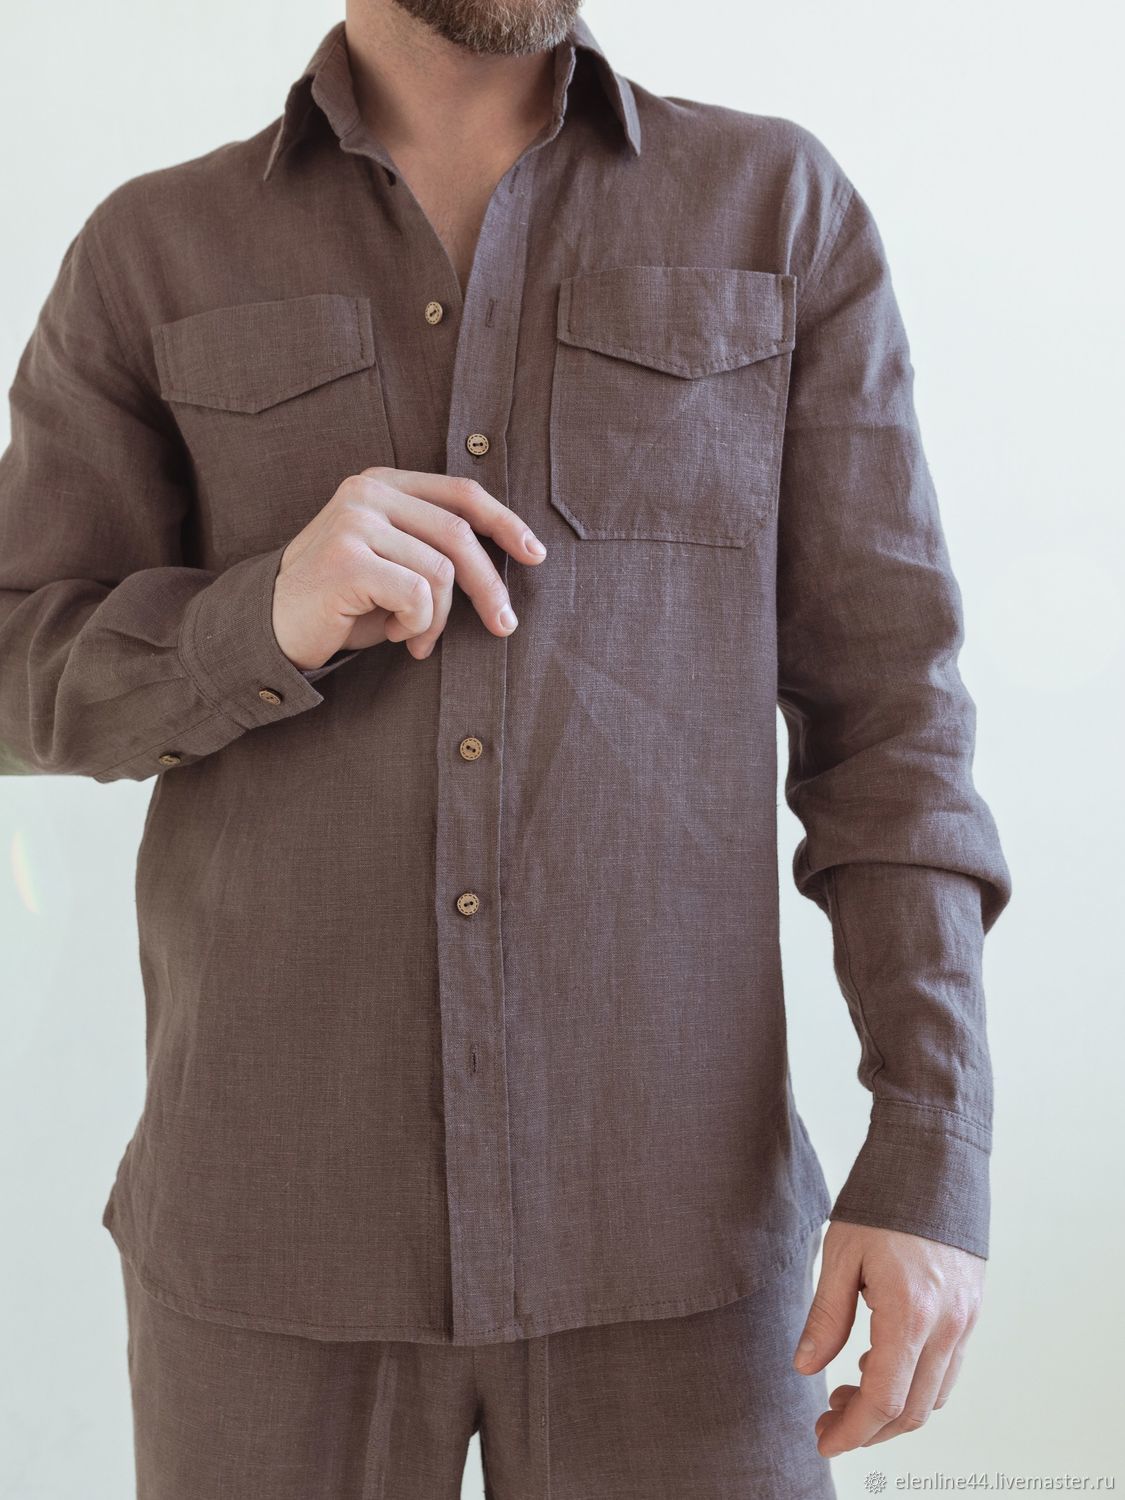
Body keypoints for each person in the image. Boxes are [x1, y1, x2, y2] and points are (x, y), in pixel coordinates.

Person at [0, 1, 1012, 1495]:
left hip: (681, 1252)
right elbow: (16, 660)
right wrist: (257, 621)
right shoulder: (154, 251)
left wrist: (931, 1148)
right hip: (274, 1246)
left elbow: (891, 714)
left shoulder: (773, 209)